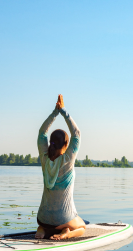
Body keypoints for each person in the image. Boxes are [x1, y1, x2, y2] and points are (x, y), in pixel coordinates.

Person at [35, 94, 86, 240]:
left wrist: (54, 113)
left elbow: (42, 132)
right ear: (65, 145)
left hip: (42, 218)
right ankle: (67, 232)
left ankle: (42, 229)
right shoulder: (68, 160)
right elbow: (77, 134)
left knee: (47, 224)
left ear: (51, 143)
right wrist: (63, 110)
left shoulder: (44, 158)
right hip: (63, 218)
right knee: (82, 226)